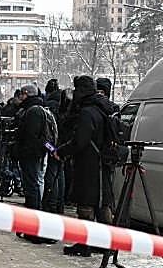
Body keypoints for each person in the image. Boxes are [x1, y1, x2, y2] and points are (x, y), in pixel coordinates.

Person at [60, 75, 109, 256]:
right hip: (102, 163)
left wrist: (62, 151)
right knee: (101, 204)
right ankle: (105, 243)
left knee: (86, 204)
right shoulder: (102, 107)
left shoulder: (87, 112)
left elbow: (80, 140)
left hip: (88, 163)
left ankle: (84, 244)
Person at [14, 84, 52, 242]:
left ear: (27, 94)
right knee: (33, 187)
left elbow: (34, 136)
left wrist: (22, 149)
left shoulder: (33, 111)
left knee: (33, 188)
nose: (19, 98)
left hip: (31, 155)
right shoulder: (37, 109)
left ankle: (34, 228)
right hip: (34, 154)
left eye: (22, 94)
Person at [95, 77, 123, 225]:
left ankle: (104, 229)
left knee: (101, 194)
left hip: (98, 156)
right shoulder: (114, 108)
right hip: (111, 154)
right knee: (107, 192)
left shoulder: (98, 107)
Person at [42, 80, 64, 214]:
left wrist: (49, 148)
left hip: (53, 146)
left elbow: (46, 133)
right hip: (63, 145)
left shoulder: (48, 108)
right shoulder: (65, 105)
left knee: (51, 175)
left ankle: (51, 204)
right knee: (60, 175)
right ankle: (59, 204)